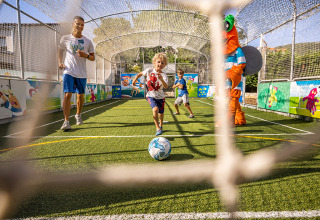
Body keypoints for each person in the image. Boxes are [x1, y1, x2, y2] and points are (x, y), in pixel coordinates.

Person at [58, 16, 95, 130]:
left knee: (80, 95)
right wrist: (60, 62)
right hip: (68, 70)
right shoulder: (65, 38)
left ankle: (78, 115)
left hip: (82, 73)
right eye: (78, 24)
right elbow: (60, 51)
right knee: (67, 95)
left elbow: (93, 57)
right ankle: (66, 121)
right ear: (73, 24)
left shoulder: (88, 41)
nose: (80, 26)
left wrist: (86, 55)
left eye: (82, 25)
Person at [132, 53, 168, 136]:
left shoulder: (164, 75)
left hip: (161, 97)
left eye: (162, 63)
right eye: (158, 62)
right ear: (154, 62)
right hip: (150, 96)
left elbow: (166, 86)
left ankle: (161, 125)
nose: (160, 64)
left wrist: (161, 79)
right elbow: (140, 74)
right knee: (155, 110)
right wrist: (134, 80)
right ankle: (157, 128)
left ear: (164, 65)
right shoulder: (149, 71)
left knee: (161, 114)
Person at [223, 14, 246, 125]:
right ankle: (240, 118)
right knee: (232, 99)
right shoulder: (224, 54)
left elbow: (242, 63)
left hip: (235, 80)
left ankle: (230, 121)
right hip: (227, 81)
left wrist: (232, 72)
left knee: (233, 98)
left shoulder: (238, 50)